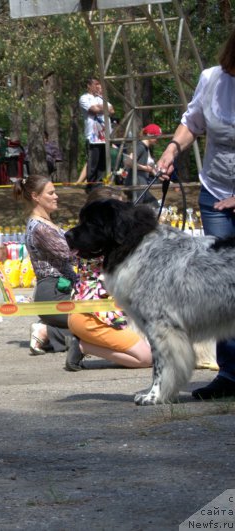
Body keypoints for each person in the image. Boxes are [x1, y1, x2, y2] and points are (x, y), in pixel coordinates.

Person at [154, 27, 235, 400]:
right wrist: (172, 149)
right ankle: (230, 375)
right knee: (222, 289)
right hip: (215, 192)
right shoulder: (212, 79)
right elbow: (193, 121)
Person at [65, 186, 153, 371]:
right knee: (146, 358)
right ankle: (82, 346)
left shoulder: (88, 239)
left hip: (93, 314)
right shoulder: (100, 244)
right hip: (92, 318)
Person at [13, 174, 77, 354]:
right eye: (51, 193)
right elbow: (70, 254)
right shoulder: (40, 228)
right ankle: (48, 332)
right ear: (35, 196)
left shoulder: (46, 224)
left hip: (62, 290)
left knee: (103, 322)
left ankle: (49, 331)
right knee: (97, 325)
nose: (56, 196)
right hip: (54, 293)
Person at [79, 77, 115, 186]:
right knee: (93, 163)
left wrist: (100, 107)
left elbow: (112, 110)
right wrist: (103, 109)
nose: (99, 86)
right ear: (89, 86)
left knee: (102, 164)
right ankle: (91, 186)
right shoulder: (84, 98)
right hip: (93, 137)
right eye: (96, 84)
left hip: (105, 137)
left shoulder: (101, 98)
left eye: (99, 84)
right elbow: (94, 110)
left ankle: (100, 185)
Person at [122, 124, 162, 206]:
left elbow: (149, 167)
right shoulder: (141, 146)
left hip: (141, 182)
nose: (157, 139)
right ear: (150, 135)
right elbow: (128, 162)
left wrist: (158, 175)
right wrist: (145, 168)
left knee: (153, 204)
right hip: (136, 182)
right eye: (156, 137)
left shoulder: (146, 148)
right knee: (139, 206)